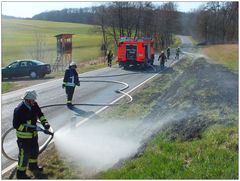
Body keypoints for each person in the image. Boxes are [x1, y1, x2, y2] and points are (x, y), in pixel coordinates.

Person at [13, 90, 51, 179]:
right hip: (23, 138)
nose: (34, 102)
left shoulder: (34, 105)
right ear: (27, 100)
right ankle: (21, 174)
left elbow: (40, 114)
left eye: (34, 100)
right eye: (32, 100)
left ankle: (33, 166)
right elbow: (16, 125)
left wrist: (45, 123)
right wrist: (29, 128)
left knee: (34, 151)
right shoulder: (19, 109)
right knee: (24, 156)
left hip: (33, 136)